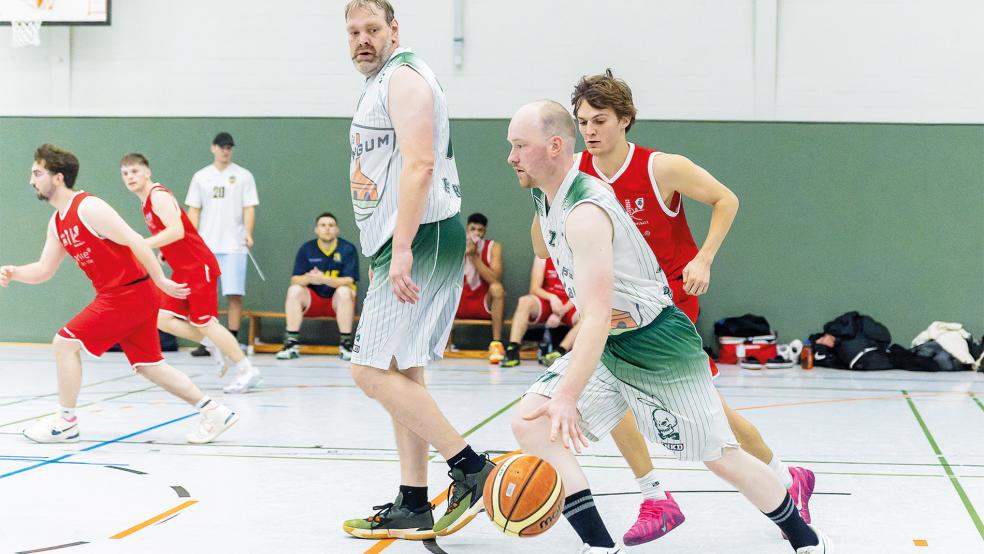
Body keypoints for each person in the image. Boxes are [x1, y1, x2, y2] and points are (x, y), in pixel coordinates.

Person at [507, 101, 828, 554]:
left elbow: (596, 317)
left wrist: (566, 394)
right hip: (614, 343)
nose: (511, 156)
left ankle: (807, 540)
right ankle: (600, 544)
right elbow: (545, 247)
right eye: (585, 122)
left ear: (555, 146)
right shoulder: (551, 192)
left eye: (520, 146)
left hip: (657, 341)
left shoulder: (589, 209)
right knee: (530, 423)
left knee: (719, 456)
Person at [341, 0, 494, 541]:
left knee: (366, 370)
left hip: (419, 237)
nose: (362, 39)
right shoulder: (384, 80)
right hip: (412, 237)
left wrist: (401, 244)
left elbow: (421, 163)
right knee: (403, 371)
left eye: (372, 29)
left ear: (394, 29)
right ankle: (413, 501)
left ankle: (472, 468)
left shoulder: (403, 79)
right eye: (353, 31)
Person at [1, 144, 239, 445]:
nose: (31, 180)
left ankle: (66, 421)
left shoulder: (88, 207)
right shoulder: (57, 223)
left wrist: (161, 280)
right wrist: (15, 272)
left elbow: (136, 240)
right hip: (125, 295)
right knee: (149, 366)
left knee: (64, 343)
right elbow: (44, 269)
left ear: (58, 177)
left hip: (128, 294)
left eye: (37, 173)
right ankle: (214, 411)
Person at [120, 153, 261, 394]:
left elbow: (176, 231)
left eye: (134, 171)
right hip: (182, 268)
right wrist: (164, 251)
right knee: (161, 317)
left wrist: (144, 244)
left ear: (147, 172)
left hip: (198, 266)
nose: (130, 177)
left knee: (204, 321)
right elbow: (173, 232)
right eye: (125, 174)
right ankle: (211, 344)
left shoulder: (158, 196)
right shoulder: (145, 201)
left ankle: (246, 368)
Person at [185, 131, 259, 353]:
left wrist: (248, 232)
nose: (225, 151)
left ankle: (232, 340)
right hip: (206, 246)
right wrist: (191, 238)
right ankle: (206, 341)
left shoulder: (243, 176)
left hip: (234, 246)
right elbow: (194, 210)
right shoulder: (201, 177)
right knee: (206, 296)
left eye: (229, 147)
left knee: (234, 293)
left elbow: (249, 207)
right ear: (213, 148)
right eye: (221, 147)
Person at [276, 212, 358, 361]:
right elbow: (295, 279)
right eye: (323, 225)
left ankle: (346, 344)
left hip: (337, 302)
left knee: (345, 291)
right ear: (316, 229)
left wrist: (323, 278)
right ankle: (291, 344)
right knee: (294, 290)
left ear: (337, 229)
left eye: (331, 225)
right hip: (314, 301)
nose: (327, 229)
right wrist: (311, 278)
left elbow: (348, 280)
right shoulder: (307, 249)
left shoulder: (347, 249)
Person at [502, 256, 579, 367]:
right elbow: (534, 288)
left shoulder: (579, 255)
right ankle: (513, 350)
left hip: (571, 303)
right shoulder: (543, 255)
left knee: (587, 316)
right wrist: (552, 297)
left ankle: (559, 352)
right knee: (525, 301)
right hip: (548, 301)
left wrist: (562, 310)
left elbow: (583, 293)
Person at [454, 212, 506, 363]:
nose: (476, 233)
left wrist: (474, 257)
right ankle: (436, 341)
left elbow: (495, 279)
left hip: (483, 300)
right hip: (460, 301)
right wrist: (462, 254)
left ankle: (496, 344)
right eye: (473, 229)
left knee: (497, 288)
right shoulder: (456, 243)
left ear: (485, 232)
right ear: (467, 229)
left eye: (480, 230)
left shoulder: (493, 247)